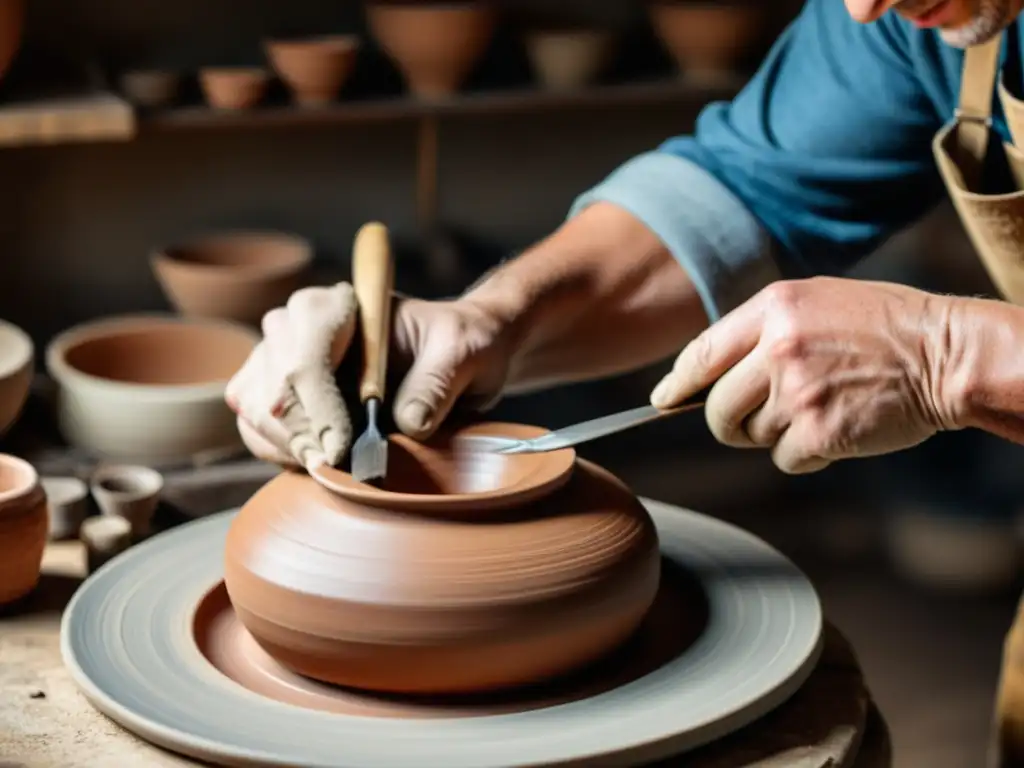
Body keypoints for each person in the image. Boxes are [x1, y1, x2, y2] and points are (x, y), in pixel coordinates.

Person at [226, 0, 1024, 761]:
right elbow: (743, 191)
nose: (858, 9)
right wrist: (489, 320)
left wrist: (953, 355)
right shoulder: (909, 20)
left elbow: (950, 353)